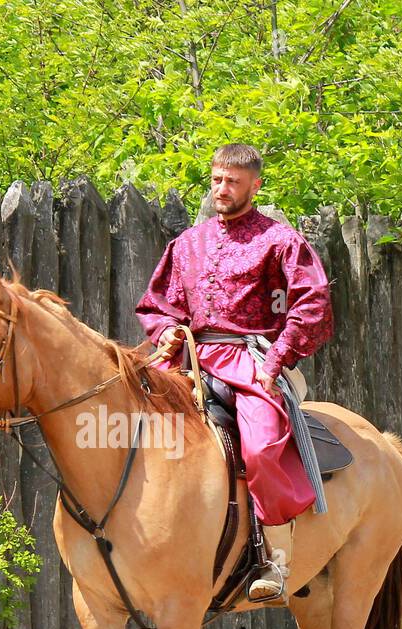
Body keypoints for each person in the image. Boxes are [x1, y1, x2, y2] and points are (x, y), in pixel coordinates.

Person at [135, 143, 334, 601]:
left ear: (255, 185)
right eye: (217, 180)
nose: (222, 190)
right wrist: (166, 329)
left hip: (250, 361)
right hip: (186, 357)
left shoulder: (280, 241)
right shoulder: (187, 244)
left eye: (233, 182)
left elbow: (314, 303)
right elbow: (158, 304)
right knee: (124, 423)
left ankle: (277, 564)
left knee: (263, 447)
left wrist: (277, 359)